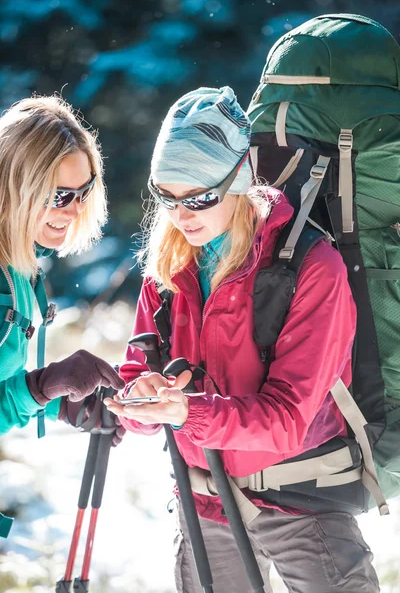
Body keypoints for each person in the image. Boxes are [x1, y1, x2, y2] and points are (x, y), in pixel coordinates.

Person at [105, 87, 379, 593]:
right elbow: (136, 374)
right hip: (205, 502)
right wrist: (138, 400)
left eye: (200, 196)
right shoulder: (167, 267)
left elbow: (285, 421)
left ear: (239, 179)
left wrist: (190, 412)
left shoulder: (310, 268)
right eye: (167, 197)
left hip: (300, 499)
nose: (181, 216)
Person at [0, 95, 125, 535]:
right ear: (17, 185)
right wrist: (41, 386)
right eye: (59, 195)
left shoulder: (18, 265)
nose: (73, 210)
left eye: (84, 191)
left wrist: (53, 402)